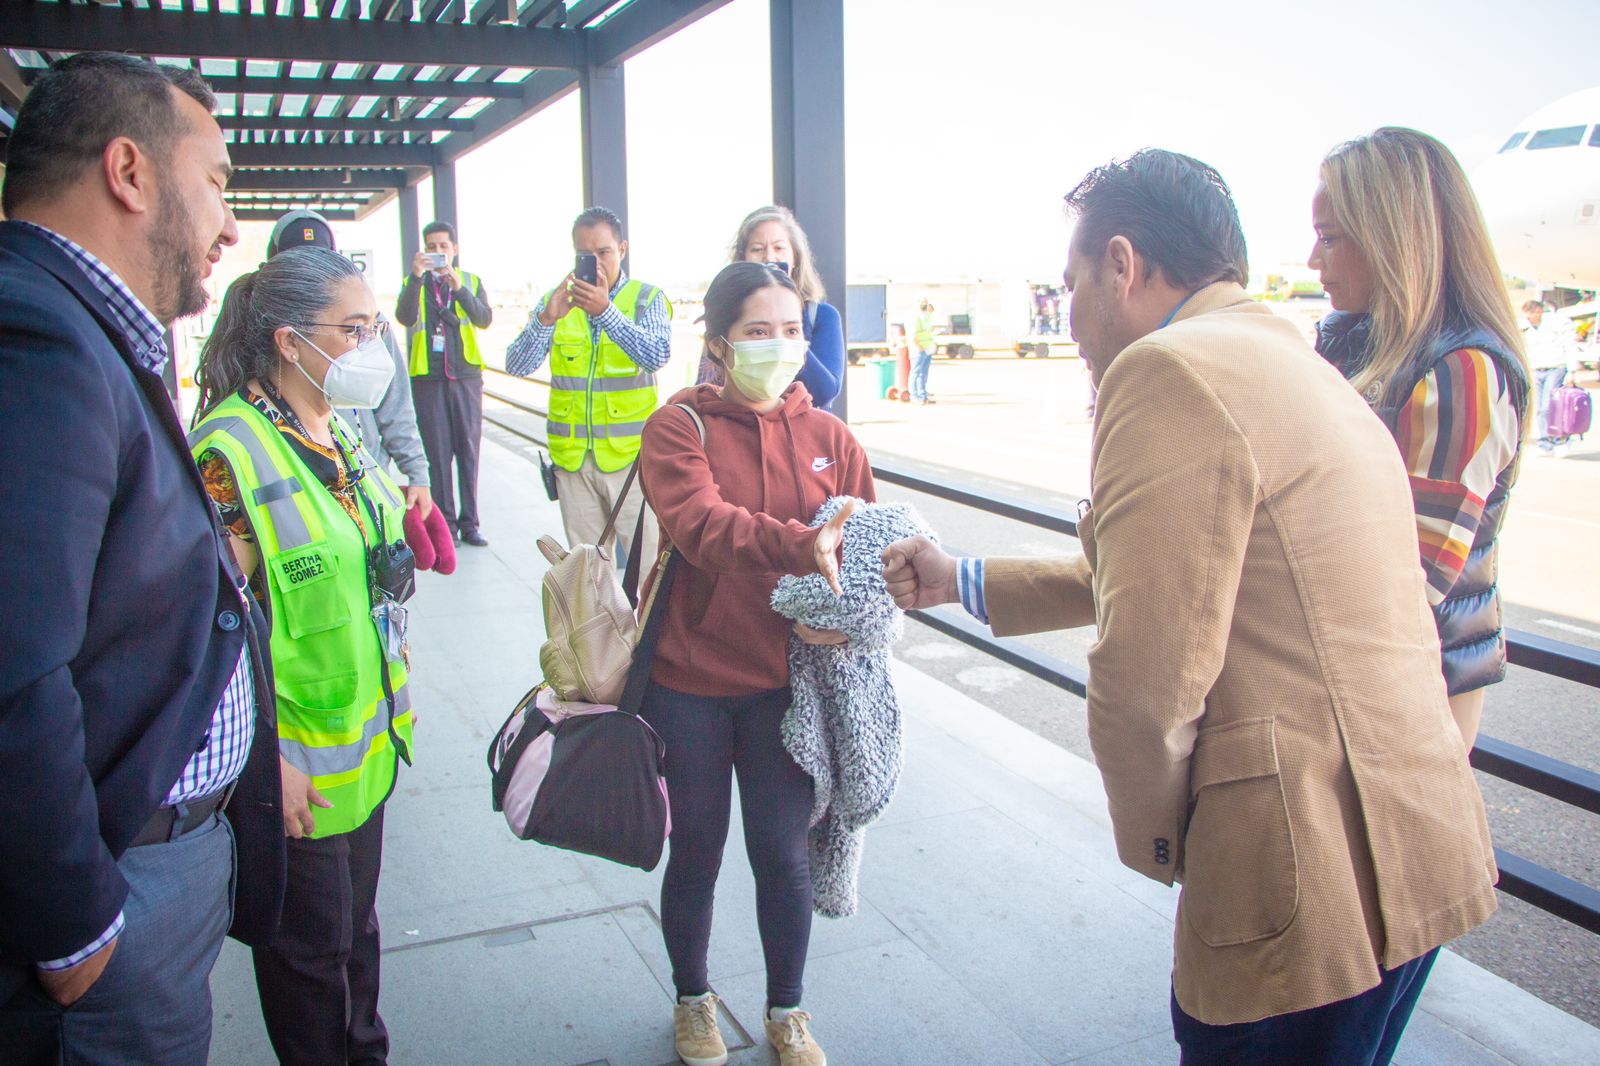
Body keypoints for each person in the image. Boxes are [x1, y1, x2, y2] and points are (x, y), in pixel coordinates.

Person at [882, 149, 1498, 1066]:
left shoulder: (1167, 370)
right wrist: (961, 578)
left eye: (1073, 284)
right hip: (1416, 850)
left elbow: (1146, 683)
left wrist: (1174, 846)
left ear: (1123, 265)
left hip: (1301, 878)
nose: (1075, 319)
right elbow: (1194, 578)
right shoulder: (1293, 360)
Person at [0, 52, 282, 1065]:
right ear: (130, 172)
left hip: (159, 863)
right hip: (110, 901)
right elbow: (10, 667)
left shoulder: (93, 335)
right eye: (216, 182)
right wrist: (71, 923)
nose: (229, 224)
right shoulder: (36, 334)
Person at [638, 261, 874, 1066]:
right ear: (718, 343)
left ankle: (787, 1010)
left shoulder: (832, 439)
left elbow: (868, 557)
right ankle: (693, 999)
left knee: (783, 856)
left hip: (788, 690)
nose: (779, 348)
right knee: (696, 852)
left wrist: (866, 607)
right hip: (690, 684)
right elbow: (703, 527)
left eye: (790, 331)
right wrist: (803, 548)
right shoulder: (678, 428)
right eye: (757, 332)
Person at [190, 247, 418, 1065]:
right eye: (353, 330)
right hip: (294, 771)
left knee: (356, 939)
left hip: (363, 756)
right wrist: (261, 763)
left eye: (375, 326)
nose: (371, 347)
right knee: (311, 967)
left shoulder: (337, 429)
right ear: (290, 341)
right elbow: (202, 632)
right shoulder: (230, 453)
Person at [1310, 128, 1532, 745]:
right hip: (1372, 674)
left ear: (1392, 238)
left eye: (1330, 238)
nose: (1312, 260)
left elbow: (1409, 576)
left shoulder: (1465, 372)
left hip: (1413, 689)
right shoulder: (1358, 337)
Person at [505, 206, 673, 565]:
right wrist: (546, 318)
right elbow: (516, 365)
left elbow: (657, 354)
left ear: (622, 250)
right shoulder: (558, 303)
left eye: (604, 252)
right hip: (574, 463)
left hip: (632, 465)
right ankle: (602, 625)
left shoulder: (646, 299)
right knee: (590, 576)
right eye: (585, 255)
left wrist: (606, 311)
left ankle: (646, 626)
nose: (595, 262)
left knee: (649, 569)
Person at [268, 209, 435, 518]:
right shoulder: (264, 337)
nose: (313, 277)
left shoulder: (370, 323)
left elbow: (394, 402)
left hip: (366, 480)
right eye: (352, 330)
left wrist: (417, 472)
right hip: (298, 496)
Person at [394, 220, 492, 545]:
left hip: (465, 378)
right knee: (436, 453)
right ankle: (447, 523)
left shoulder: (471, 281)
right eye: (431, 247)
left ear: (454, 250)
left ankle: (470, 523)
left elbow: (483, 318)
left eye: (443, 247)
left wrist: (458, 288)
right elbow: (405, 317)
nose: (438, 253)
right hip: (428, 378)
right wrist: (417, 277)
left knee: (468, 451)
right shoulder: (414, 282)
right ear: (423, 251)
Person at [703, 205, 846, 411]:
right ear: (742, 258)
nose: (769, 257)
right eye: (758, 249)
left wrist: (793, 329)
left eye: (779, 248)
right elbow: (709, 381)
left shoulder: (821, 316)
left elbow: (824, 392)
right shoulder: (728, 313)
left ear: (795, 257)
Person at [1519, 299, 1580, 455]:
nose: (1528, 319)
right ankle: (1545, 442)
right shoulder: (1526, 328)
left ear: (1538, 312)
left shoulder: (1557, 323)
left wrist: (1572, 371)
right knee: (1539, 408)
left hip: (1555, 368)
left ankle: (1559, 440)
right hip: (1536, 370)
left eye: (1530, 315)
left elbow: (1570, 345)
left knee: (1550, 406)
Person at [911, 298, 936, 404]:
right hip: (919, 349)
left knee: (924, 374)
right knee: (916, 373)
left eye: (926, 302)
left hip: (928, 349)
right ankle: (914, 396)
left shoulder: (927, 316)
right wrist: (919, 346)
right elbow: (912, 334)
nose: (925, 304)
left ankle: (923, 395)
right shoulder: (915, 317)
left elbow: (932, 309)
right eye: (922, 302)